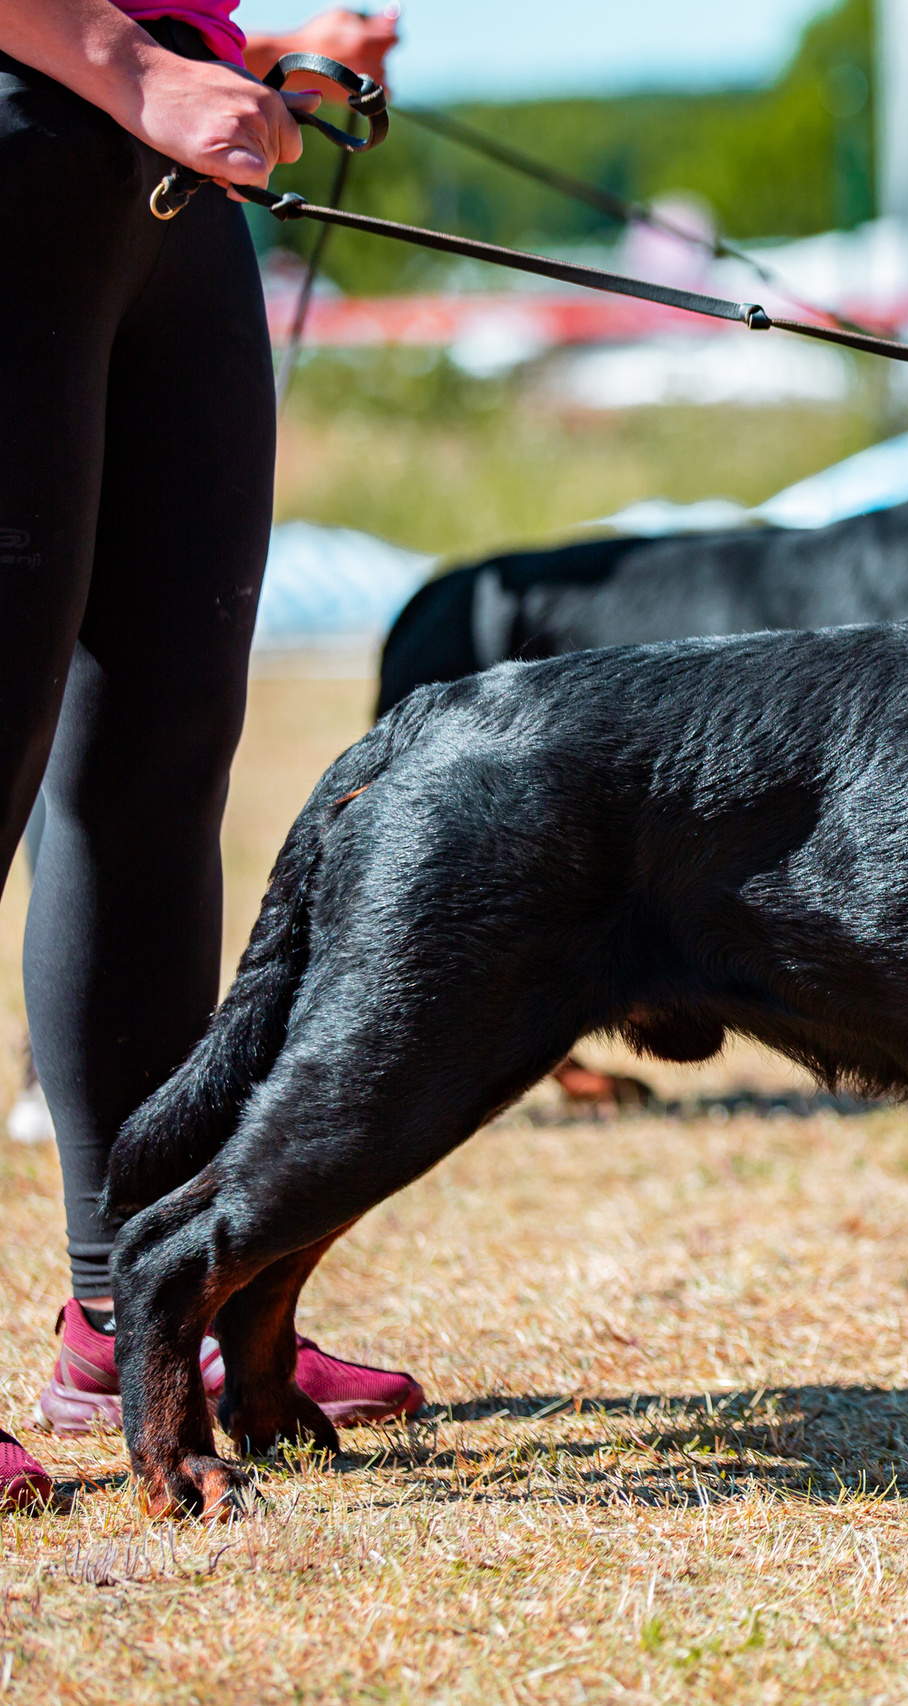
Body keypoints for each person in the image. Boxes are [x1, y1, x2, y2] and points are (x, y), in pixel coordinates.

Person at [0, 0, 419, 1509]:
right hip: (36, 128)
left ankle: (136, 1306)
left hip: (160, 181)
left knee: (156, 774)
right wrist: (121, 62)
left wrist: (224, 51)